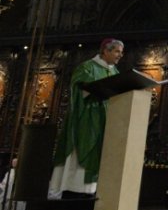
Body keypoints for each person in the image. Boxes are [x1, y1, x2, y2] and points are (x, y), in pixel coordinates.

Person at [48, 38, 124, 199]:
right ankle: (73, 188)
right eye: (117, 51)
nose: (120, 55)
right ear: (105, 50)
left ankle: (91, 190)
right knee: (80, 152)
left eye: (121, 52)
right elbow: (78, 88)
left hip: (105, 122)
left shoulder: (115, 72)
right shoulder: (87, 67)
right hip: (86, 120)